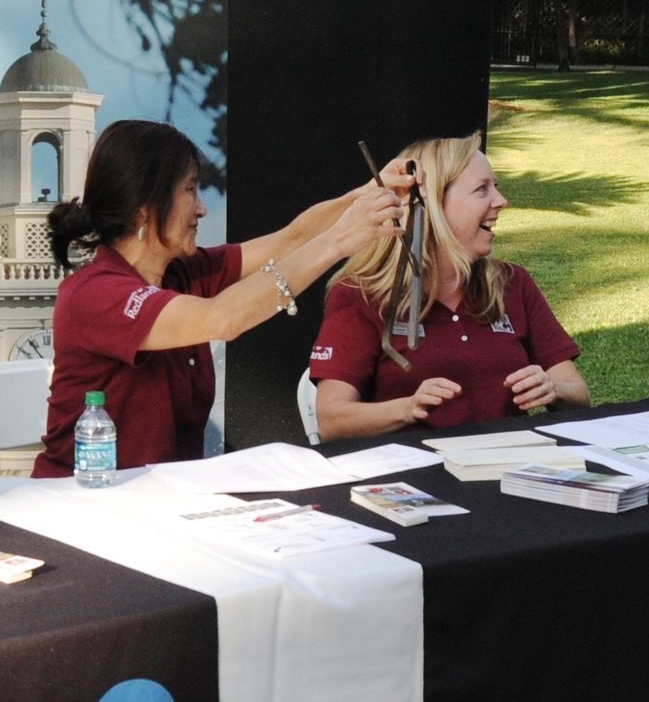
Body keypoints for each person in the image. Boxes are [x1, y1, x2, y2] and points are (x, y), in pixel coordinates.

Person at [35, 119, 405, 476]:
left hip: (161, 500)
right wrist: (339, 241)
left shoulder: (182, 271)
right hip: (86, 501)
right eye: (190, 189)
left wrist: (367, 195)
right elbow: (223, 318)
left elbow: (290, 240)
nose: (201, 208)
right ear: (145, 206)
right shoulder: (95, 293)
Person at [308, 132, 589, 437]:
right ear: (431, 204)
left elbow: (579, 395)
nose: (501, 201)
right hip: (414, 465)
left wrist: (553, 389)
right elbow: (332, 421)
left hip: (509, 460)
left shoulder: (512, 283)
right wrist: (407, 409)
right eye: (482, 189)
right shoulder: (361, 295)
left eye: (496, 187)